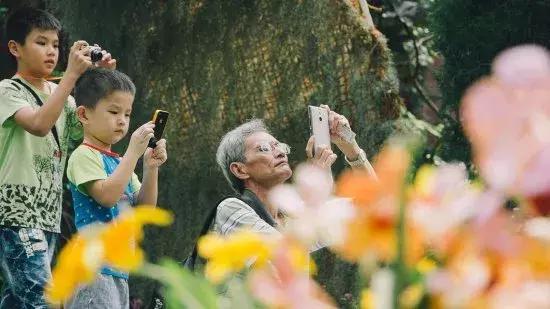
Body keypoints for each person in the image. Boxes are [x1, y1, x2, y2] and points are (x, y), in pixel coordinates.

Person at [0, 8, 115, 308]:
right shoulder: (7, 90)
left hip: (47, 215)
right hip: (15, 214)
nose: (52, 51)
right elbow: (39, 124)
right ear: (15, 48)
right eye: (41, 43)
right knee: (42, 299)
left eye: (55, 44)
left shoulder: (62, 94)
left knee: (17, 300)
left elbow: (96, 134)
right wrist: (72, 77)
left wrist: (102, 81)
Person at [64, 68, 168, 309]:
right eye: (113, 111)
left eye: (127, 114)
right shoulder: (83, 155)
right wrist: (133, 153)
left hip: (117, 269)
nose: (122, 120)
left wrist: (150, 168)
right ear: (84, 114)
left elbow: (144, 208)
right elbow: (107, 197)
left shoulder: (120, 163)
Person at [212, 105, 375, 238]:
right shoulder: (231, 210)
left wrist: (349, 145)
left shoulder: (293, 216)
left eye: (279, 146)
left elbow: (372, 206)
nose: (281, 152)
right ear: (240, 170)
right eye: (264, 148)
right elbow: (284, 255)